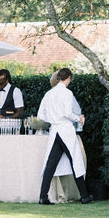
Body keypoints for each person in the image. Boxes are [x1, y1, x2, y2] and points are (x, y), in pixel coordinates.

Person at [37, 68, 91, 205]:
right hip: (66, 130)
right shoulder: (67, 93)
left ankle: (43, 196)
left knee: (50, 164)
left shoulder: (48, 94)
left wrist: (52, 119)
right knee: (76, 161)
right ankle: (84, 196)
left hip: (54, 131)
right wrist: (78, 118)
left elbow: (40, 115)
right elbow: (67, 113)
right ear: (68, 78)